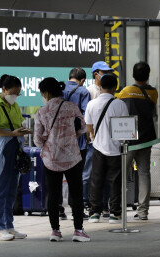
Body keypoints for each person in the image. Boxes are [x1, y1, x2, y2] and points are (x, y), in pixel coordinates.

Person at [35, 77, 90, 242]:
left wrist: (49, 140)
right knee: (76, 193)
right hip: (72, 156)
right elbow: (82, 127)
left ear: (45, 93)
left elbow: (38, 140)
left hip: (51, 158)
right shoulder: (71, 107)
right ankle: (78, 231)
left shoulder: (42, 112)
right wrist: (71, 136)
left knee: (53, 194)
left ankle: (55, 231)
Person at [0, 74, 31, 241]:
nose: (15, 96)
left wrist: (24, 130)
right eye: (13, 92)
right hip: (1, 151)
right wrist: (11, 133)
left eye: (18, 93)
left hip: (15, 150)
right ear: (3, 89)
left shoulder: (15, 106)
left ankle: (8, 226)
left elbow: (18, 125)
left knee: (11, 190)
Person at [117, 62, 158, 220]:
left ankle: (119, 210)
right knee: (144, 174)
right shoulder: (153, 92)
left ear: (133, 75)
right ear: (148, 76)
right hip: (146, 138)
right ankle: (142, 212)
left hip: (128, 137)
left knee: (122, 174)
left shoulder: (126, 91)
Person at [86, 74, 129, 224]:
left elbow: (89, 127)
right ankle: (115, 214)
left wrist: (94, 138)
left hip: (97, 147)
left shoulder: (91, 104)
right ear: (115, 88)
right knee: (115, 182)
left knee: (96, 181)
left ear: (100, 87)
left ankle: (94, 213)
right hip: (116, 149)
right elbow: (126, 127)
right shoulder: (120, 105)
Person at [85, 61, 114, 218]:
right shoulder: (89, 92)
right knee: (93, 176)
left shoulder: (110, 92)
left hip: (108, 140)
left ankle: (104, 206)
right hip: (95, 142)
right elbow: (88, 122)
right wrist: (92, 138)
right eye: (104, 71)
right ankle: (91, 205)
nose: (107, 74)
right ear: (96, 73)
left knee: (107, 177)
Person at [61, 67, 91, 220]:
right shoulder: (83, 92)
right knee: (76, 176)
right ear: (83, 80)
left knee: (58, 174)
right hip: (77, 141)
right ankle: (76, 209)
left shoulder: (59, 89)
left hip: (60, 140)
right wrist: (86, 135)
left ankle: (59, 208)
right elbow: (86, 116)